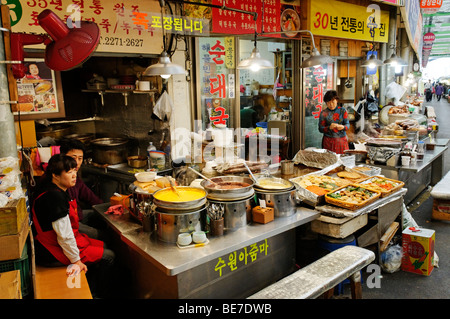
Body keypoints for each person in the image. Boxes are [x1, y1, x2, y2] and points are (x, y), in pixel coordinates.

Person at [31, 154, 115, 298]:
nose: (74, 175)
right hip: (52, 251)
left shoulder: (58, 190)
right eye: (69, 172)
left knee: (104, 245)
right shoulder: (54, 197)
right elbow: (64, 236)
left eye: (75, 171)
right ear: (55, 176)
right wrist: (76, 261)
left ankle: (92, 287)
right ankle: (99, 294)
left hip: (60, 242)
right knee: (109, 256)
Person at [59, 139, 105, 240]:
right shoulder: (58, 181)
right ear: (62, 157)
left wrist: (106, 208)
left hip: (77, 216)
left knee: (102, 216)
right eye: (73, 158)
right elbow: (63, 223)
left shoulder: (75, 177)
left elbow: (89, 196)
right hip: (69, 224)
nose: (77, 162)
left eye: (80, 158)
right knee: (101, 236)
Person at [318, 90, 350, 154]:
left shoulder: (342, 111)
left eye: (333, 102)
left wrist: (343, 127)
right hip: (328, 141)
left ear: (337, 100)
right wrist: (329, 127)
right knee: (328, 160)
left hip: (341, 141)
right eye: (328, 102)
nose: (331, 104)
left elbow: (347, 125)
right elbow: (320, 128)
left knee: (342, 160)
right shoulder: (323, 113)